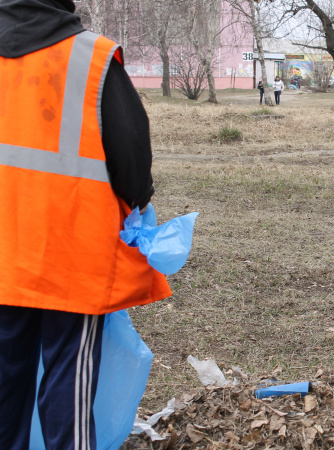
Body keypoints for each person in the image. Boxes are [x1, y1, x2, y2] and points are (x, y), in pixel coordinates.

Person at [0, 0, 171, 448]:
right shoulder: (90, 57)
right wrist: (139, 201)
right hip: (71, 256)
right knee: (67, 380)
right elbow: (131, 151)